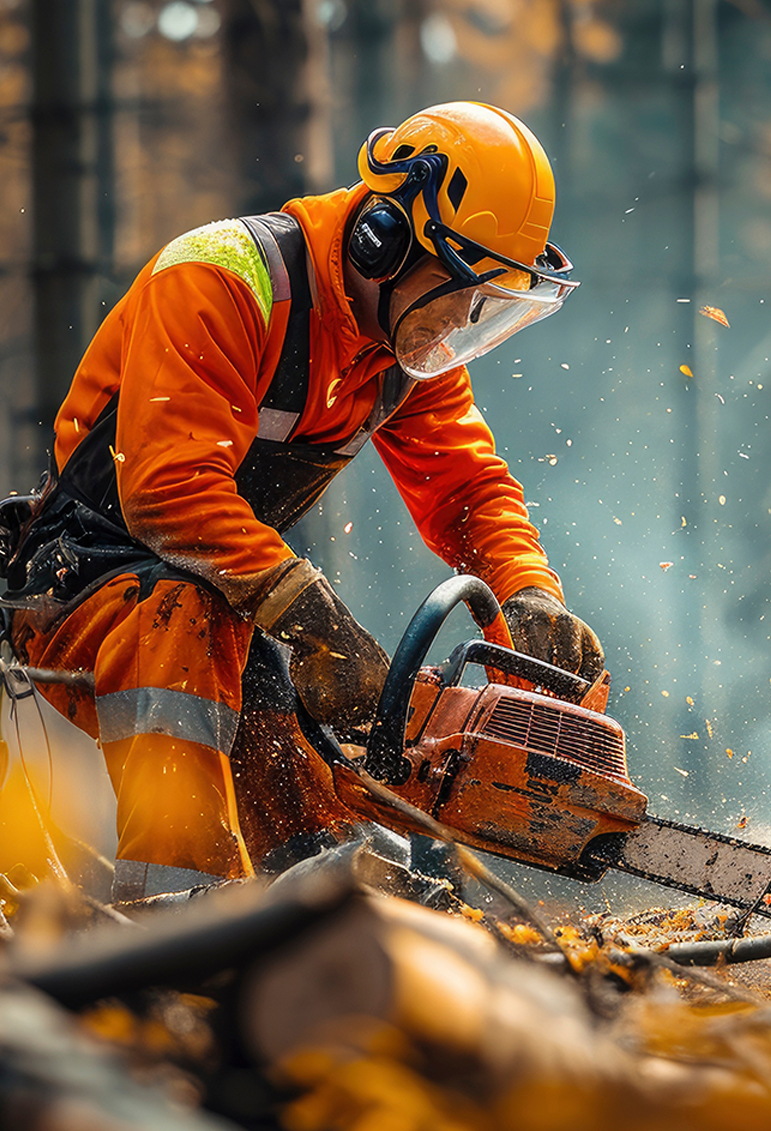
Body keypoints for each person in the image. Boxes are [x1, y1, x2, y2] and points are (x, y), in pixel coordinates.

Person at [1, 101, 604, 902]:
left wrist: (527, 591)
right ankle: (176, 914)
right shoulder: (222, 280)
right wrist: (308, 612)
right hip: (78, 583)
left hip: (227, 597)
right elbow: (167, 486)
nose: (459, 324)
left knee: (294, 731)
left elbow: (465, 487)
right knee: (189, 614)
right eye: (456, 293)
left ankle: (330, 896)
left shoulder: (402, 347)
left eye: (482, 306)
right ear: (381, 239)